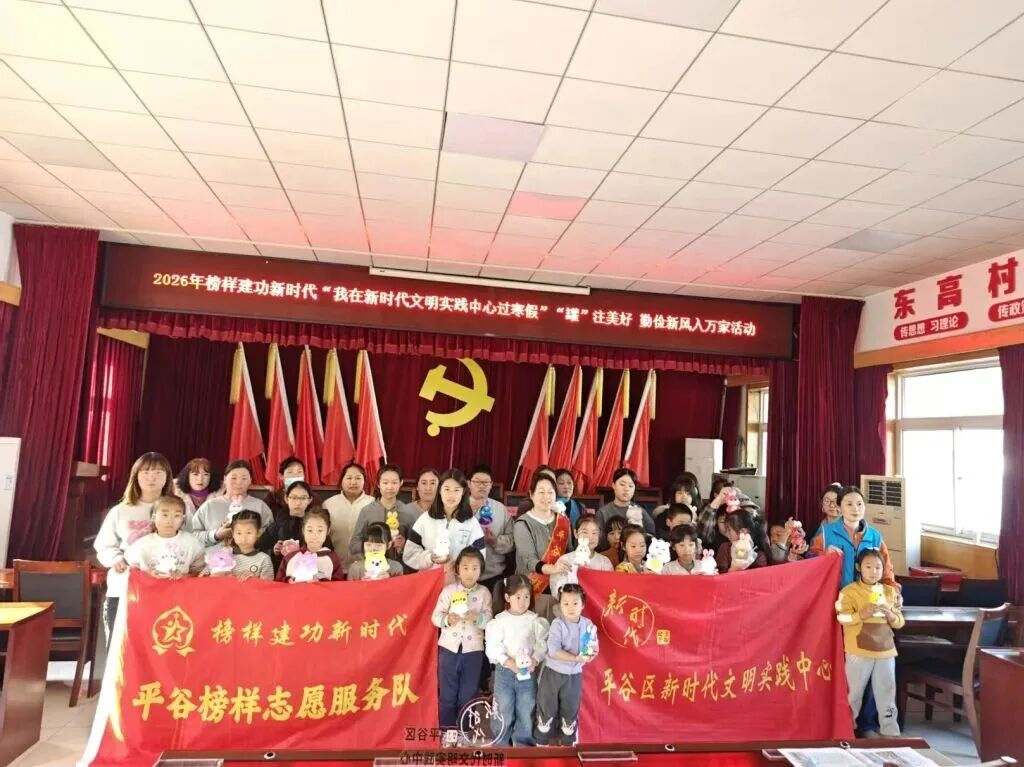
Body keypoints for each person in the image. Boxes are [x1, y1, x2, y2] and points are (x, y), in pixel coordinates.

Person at [95, 451, 175, 639]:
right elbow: (104, 546)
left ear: (167, 477)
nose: (151, 477)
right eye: (145, 472)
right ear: (135, 476)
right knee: (120, 645)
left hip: (165, 587)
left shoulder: (178, 509)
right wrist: (116, 558)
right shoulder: (120, 511)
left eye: (158, 472)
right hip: (124, 585)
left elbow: (190, 542)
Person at [836, 548, 905, 736]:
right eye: (868, 567)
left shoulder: (889, 592)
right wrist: (861, 615)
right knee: (854, 692)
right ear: (859, 567)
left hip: (886, 650)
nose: (873, 571)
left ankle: (890, 731)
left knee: (886, 691)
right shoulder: (849, 592)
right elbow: (842, 618)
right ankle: (846, 730)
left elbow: (899, 622)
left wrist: (891, 615)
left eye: (878, 567)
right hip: (858, 650)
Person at [485, 575, 549, 747]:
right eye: (518, 597)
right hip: (505, 672)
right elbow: (493, 647)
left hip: (527, 672)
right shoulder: (500, 621)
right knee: (503, 708)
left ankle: (523, 745)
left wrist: (535, 659)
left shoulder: (534, 620)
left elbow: (542, 643)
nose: (522, 601)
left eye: (526, 597)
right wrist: (508, 662)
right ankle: (501, 744)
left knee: (526, 708)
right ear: (507, 597)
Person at [432, 548, 492, 730]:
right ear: (457, 569)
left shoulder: (484, 593)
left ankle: (465, 730)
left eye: (475, 568)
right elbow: (435, 617)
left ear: (481, 570)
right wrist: (447, 619)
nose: (470, 572)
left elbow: (489, 621)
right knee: (447, 693)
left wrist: (477, 618)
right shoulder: (449, 591)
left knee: (468, 693)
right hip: (448, 648)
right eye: (465, 567)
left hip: (473, 651)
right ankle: (446, 730)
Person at [536, 583, 597, 746]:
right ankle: (541, 744)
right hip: (552, 674)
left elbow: (594, 647)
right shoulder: (558, 624)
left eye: (575, 603)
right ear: (560, 605)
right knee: (546, 709)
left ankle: (567, 745)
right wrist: (576, 658)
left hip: (574, 676)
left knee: (570, 711)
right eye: (566, 603)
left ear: (583, 605)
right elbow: (554, 650)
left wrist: (590, 655)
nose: (570, 607)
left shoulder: (588, 625)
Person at [808, 486, 897, 588]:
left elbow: (886, 570)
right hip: (835, 594)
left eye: (859, 504)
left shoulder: (874, 536)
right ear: (839, 508)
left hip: (867, 595)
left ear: (865, 507)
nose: (855, 508)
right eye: (849, 504)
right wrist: (825, 554)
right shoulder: (825, 533)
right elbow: (810, 560)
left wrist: (893, 590)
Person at [404, 469, 486, 574]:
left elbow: (480, 559)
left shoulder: (471, 523)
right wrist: (430, 558)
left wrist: (457, 567)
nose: (451, 495)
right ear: (439, 490)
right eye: (447, 489)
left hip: (458, 581)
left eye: (456, 490)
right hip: (429, 579)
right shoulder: (425, 519)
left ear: (463, 492)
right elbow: (409, 554)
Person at [513, 474, 573, 617]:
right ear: (531, 494)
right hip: (533, 590)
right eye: (541, 492)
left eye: (550, 492)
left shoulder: (563, 521)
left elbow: (570, 552)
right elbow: (528, 561)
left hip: (561, 590)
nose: (546, 497)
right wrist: (552, 569)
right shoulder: (523, 523)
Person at [189, 460, 273, 550]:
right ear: (225, 479)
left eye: (244, 478)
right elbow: (190, 536)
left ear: (250, 481)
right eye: (233, 478)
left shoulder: (260, 507)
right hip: (213, 557)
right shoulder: (209, 506)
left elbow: (271, 537)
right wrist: (216, 535)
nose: (238, 482)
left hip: (250, 557)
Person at [348, 464, 419, 563]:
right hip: (371, 566)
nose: (390, 487)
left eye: (394, 482)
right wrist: (372, 546)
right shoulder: (367, 511)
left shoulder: (408, 511)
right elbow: (353, 545)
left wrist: (404, 545)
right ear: (378, 484)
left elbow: (417, 546)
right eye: (385, 483)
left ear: (401, 483)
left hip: (400, 568)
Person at [124, 494, 204, 578]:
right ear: (154, 517)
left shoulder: (192, 542)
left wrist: (183, 576)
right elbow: (132, 568)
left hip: (182, 586)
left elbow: (198, 572)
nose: (170, 520)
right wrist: (148, 573)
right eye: (165, 515)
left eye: (177, 515)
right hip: (150, 585)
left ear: (183, 519)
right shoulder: (142, 544)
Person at [467, 464, 514, 594]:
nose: (481, 486)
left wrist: (495, 541)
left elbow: (512, 540)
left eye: (486, 482)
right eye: (477, 482)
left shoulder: (501, 509)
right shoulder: (458, 507)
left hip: (494, 576)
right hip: (463, 576)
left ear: (491, 485)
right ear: (469, 484)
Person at [322, 461, 374, 571]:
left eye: (358, 478)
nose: (353, 482)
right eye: (349, 478)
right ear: (341, 480)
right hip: (334, 567)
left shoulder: (373, 504)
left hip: (366, 568)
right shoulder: (328, 504)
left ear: (364, 481)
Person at [549, 515, 613, 597]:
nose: (590, 537)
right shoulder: (565, 560)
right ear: (575, 533)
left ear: (599, 535)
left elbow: (609, 589)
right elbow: (556, 589)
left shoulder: (605, 562)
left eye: (594, 533)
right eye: (585, 532)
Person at [258, 480, 316, 569]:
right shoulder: (278, 522)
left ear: (309, 500)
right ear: (286, 498)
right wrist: (274, 550)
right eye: (294, 498)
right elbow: (261, 546)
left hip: (307, 569)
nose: (298, 502)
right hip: (280, 570)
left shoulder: (314, 522)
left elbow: (324, 549)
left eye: (303, 498)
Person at [276, 508, 344, 582]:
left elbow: (338, 585)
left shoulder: (333, 559)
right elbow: (278, 583)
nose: (314, 536)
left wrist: (320, 581)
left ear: (327, 531)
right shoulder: (289, 558)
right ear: (303, 531)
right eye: (310, 530)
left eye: (320, 530)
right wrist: (289, 580)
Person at [596, 468, 655, 543]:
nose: (626, 489)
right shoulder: (603, 513)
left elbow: (651, 536)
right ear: (613, 485)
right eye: (622, 484)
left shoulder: (640, 511)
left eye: (630, 486)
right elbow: (598, 539)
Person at [224, 510, 275, 581]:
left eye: (248, 532)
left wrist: (254, 579)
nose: (243, 538)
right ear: (233, 534)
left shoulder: (264, 559)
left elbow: (269, 585)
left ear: (258, 533)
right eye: (239, 533)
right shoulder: (225, 555)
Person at [715, 509, 769, 573]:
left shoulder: (759, 555)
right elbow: (719, 573)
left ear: (743, 531)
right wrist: (733, 569)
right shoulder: (725, 548)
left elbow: (758, 577)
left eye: (729, 530)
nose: (726, 533)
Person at [554, 469, 588, 534]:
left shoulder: (580, 507)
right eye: (561, 483)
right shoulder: (550, 506)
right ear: (554, 486)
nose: (566, 486)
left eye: (569, 483)